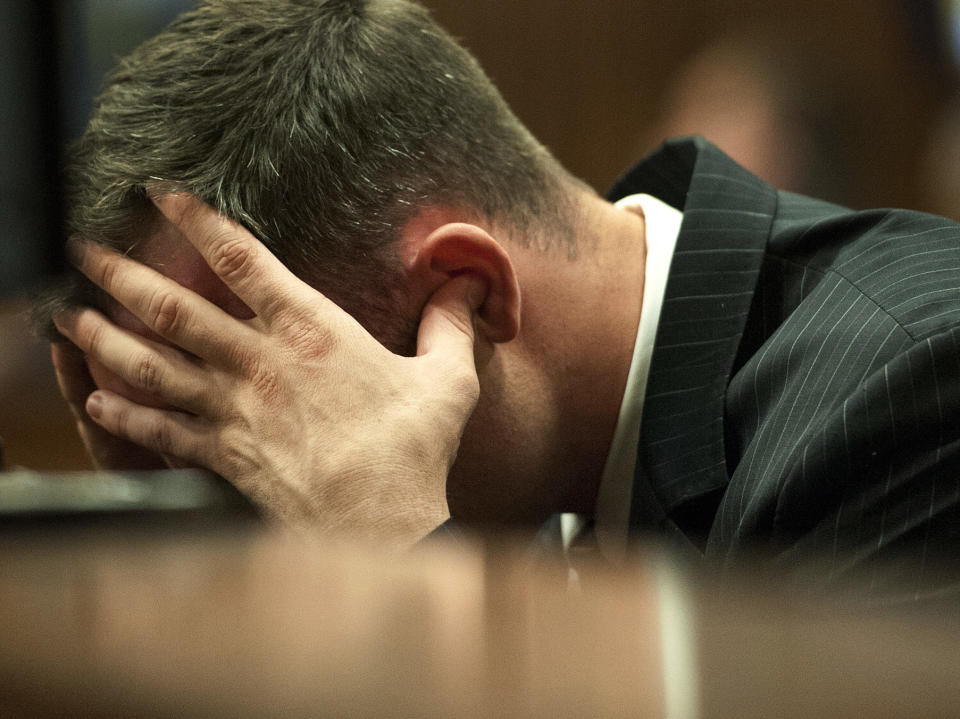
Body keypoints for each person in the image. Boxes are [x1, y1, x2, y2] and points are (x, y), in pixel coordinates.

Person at [45, 0, 960, 602]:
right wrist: (163, 524)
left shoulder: (910, 388)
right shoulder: (546, 474)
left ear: (469, 299)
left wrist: (401, 565)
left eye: (246, 423)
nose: (267, 502)